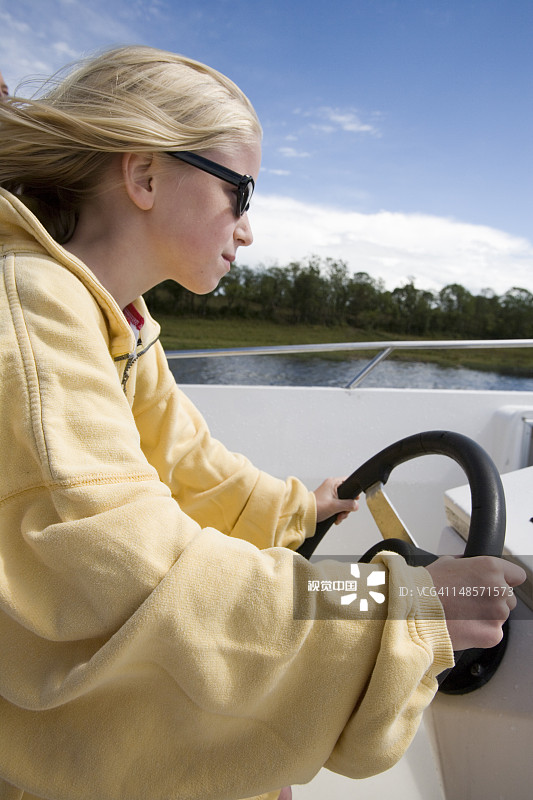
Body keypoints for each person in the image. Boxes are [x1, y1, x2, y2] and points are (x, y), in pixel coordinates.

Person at [0, 45, 525, 800]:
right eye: (239, 193)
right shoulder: (33, 313)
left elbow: (188, 463)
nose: (247, 229)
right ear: (145, 175)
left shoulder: (116, 320)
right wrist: (397, 607)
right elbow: (139, 579)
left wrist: (297, 507)